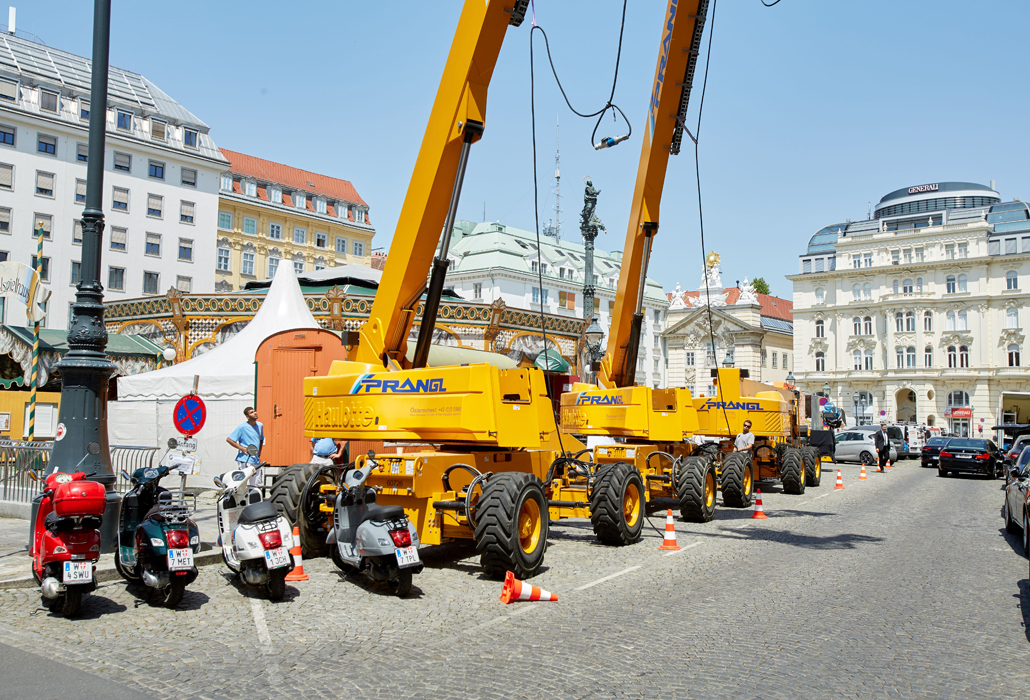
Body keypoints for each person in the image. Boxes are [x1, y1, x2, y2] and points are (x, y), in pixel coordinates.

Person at [227, 407, 265, 486]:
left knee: (256, 484)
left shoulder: (260, 425)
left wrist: (259, 453)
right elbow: (229, 439)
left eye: (254, 411)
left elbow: (261, 439)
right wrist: (242, 448)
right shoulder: (242, 427)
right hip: (245, 459)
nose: (255, 413)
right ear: (247, 417)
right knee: (245, 483)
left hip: (256, 460)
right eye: (251, 412)